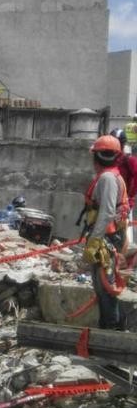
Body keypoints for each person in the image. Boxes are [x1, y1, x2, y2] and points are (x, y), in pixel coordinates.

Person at [82, 135, 130, 331]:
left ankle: (112, 327)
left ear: (97, 157)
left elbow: (107, 212)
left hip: (106, 238)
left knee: (104, 285)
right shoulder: (111, 176)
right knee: (101, 285)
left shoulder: (108, 178)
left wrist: (94, 241)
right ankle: (109, 324)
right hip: (106, 236)